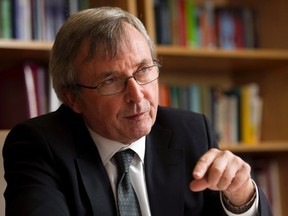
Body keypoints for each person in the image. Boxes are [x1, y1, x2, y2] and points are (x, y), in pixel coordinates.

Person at [3, 7, 272, 216]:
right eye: (110, 81)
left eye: (143, 70)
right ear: (72, 98)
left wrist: (240, 196)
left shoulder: (190, 132)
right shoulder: (38, 145)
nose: (137, 94)